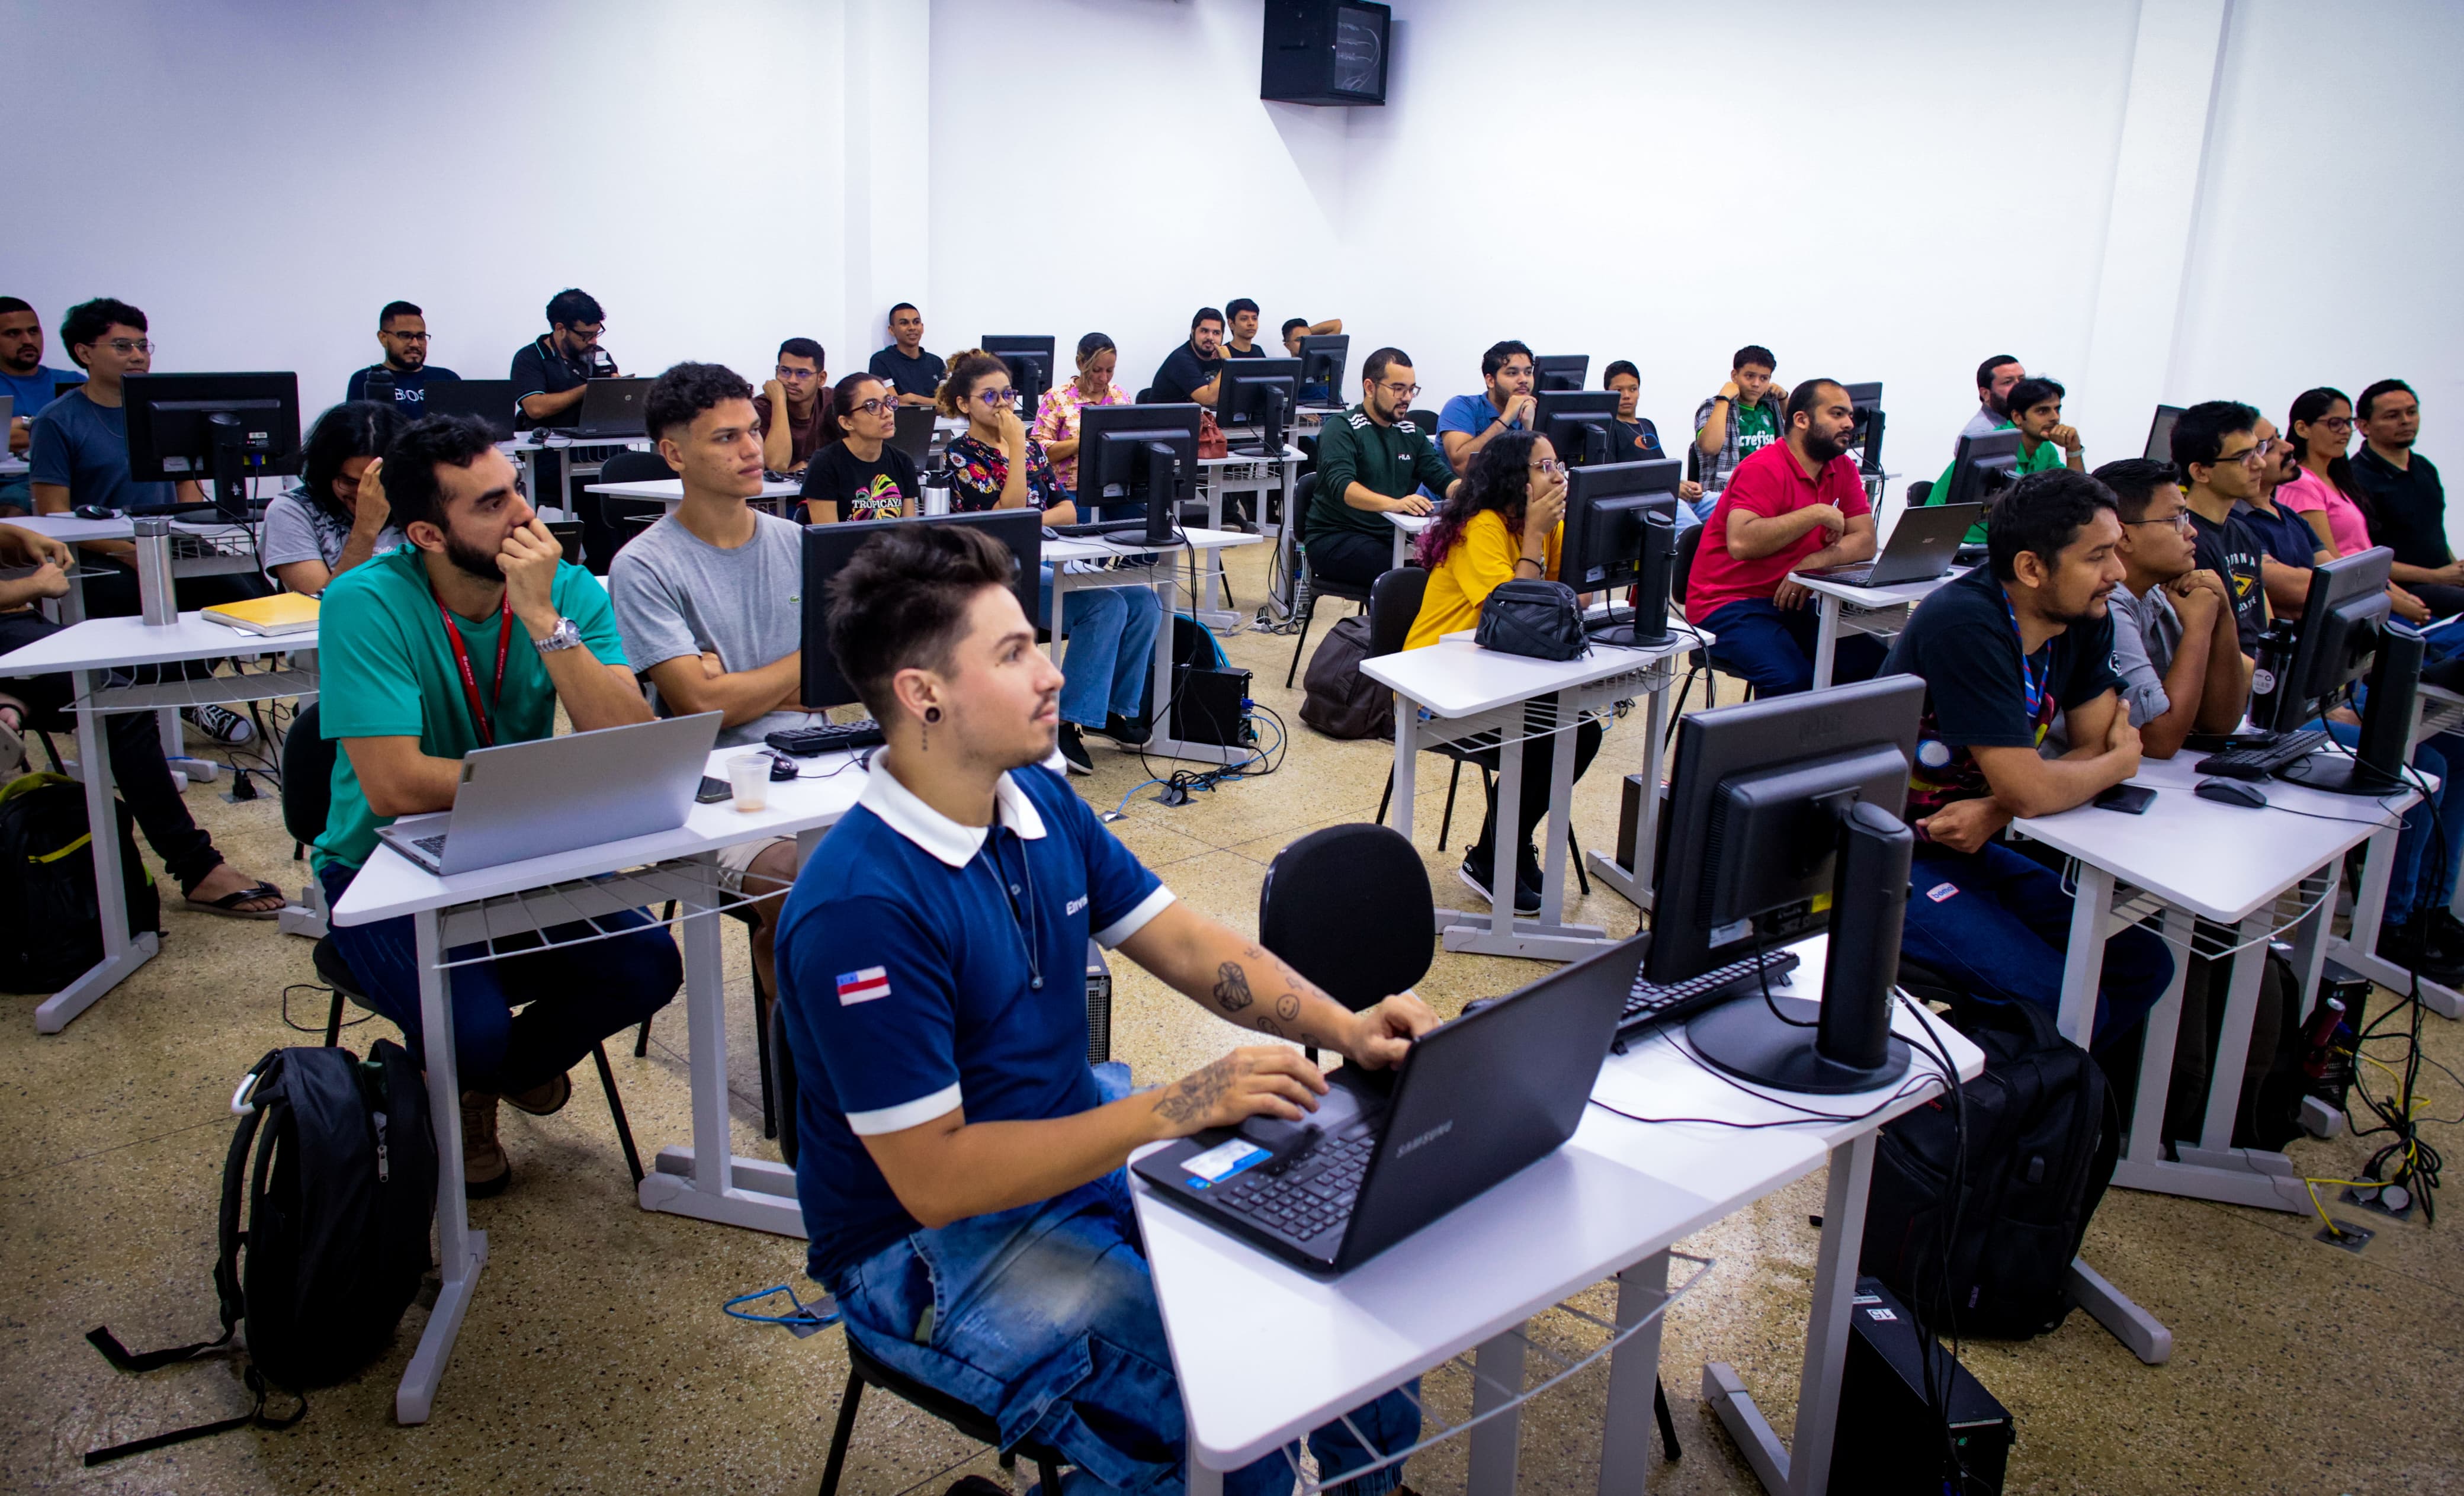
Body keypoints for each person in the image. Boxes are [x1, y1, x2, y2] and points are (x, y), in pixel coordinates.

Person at [774, 519, 1431, 1494]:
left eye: (1037, 640)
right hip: (920, 1249)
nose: (1051, 671)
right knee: (1224, 1416)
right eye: (1013, 653)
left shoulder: (1035, 795)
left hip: (1076, 1146)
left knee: (1349, 1308)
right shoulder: (860, 908)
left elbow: (1188, 943)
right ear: (924, 696)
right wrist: (1183, 1103)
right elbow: (937, 1181)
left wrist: (1347, 1027)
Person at [314, 413, 678, 1196]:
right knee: (470, 1025)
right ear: (428, 533)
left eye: (516, 489)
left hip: (518, 849)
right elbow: (397, 786)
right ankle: (473, 1070)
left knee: (650, 964)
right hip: (383, 867)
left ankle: (497, 1072)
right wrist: (556, 774)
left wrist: (544, 620)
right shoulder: (363, 602)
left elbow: (625, 738)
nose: (523, 514)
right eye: (490, 504)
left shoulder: (565, 588)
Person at [1882, 467, 2171, 1052]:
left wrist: (1996, 806)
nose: (2115, 575)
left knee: (2142, 963)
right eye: (2097, 558)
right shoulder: (1965, 624)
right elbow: (2081, 767)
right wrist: (2115, 766)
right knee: (2058, 999)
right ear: (2031, 568)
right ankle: (1977, 1115)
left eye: (2115, 553)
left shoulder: (2082, 618)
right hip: (1889, 857)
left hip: (1969, 842)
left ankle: (2043, 1102)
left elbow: (2080, 751)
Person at [612, 362, 818, 1004]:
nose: (752, 449)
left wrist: (740, 686)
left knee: (954, 858)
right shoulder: (644, 566)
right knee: (809, 890)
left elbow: (848, 678)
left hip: (823, 761)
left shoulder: (798, 542)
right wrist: (805, 661)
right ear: (674, 453)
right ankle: (812, 1084)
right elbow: (701, 707)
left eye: (752, 430)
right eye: (725, 438)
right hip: (716, 792)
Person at [0, 522, 285, 914]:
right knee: (120, 702)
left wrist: (19, 538)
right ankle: (197, 868)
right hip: (10, 625)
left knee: (224, 596)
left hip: (18, 620)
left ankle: (15, 700)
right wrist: (36, 586)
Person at [27, 297, 264, 743]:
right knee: (130, 601)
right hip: (100, 555)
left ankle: (179, 691)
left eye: (143, 346)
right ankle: (158, 703)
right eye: (122, 346)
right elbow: (51, 515)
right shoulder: (56, 422)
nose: (138, 356)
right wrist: (127, 551)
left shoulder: (165, 412)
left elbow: (186, 493)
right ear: (84, 353)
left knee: (245, 594)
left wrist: (203, 536)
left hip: (166, 542)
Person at [1406, 432, 1605, 913]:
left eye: (1558, 464)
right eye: (1543, 467)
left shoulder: (1544, 524)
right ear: (1515, 478)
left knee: (1581, 731)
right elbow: (1521, 617)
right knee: (1544, 738)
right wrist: (1535, 538)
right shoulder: (1484, 526)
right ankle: (1499, 855)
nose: (1556, 476)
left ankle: (1498, 852)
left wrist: (1551, 537)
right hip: (1436, 687)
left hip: (1502, 676)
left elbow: (1576, 599)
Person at [941, 351, 1163, 773]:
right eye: (990, 396)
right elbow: (1006, 521)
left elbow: (1068, 510)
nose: (1003, 404)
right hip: (997, 579)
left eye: (1007, 394)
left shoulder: (1030, 452)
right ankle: (1062, 723)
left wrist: (1029, 512)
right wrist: (1018, 452)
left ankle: (1111, 710)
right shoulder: (961, 456)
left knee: (1142, 600)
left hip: (1044, 559)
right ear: (965, 404)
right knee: (1105, 606)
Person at [1683, 380, 1885, 695]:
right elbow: (1741, 543)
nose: (1849, 423)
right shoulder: (1763, 467)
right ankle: (1771, 745)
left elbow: (1865, 541)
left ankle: (1841, 744)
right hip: (1729, 604)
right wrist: (1817, 513)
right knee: (1791, 679)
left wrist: (1812, 563)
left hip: (1794, 599)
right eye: (1836, 414)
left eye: (1849, 415)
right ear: (1802, 420)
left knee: (1873, 665)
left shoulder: (1841, 467)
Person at [2093, 458, 2247, 759]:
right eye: (2176, 520)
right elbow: (2159, 740)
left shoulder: (2155, 592)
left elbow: (2219, 724)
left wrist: (2223, 615)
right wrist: (2199, 628)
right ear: (2124, 536)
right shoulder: (2106, 605)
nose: (2191, 532)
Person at [1305, 346, 1461, 588]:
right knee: (1408, 578)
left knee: (1451, 564)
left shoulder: (1412, 433)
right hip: (1336, 538)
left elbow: (1441, 477)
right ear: (1370, 387)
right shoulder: (1342, 428)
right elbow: (1343, 487)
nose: (1407, 398)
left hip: (1391, 537)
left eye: (1411, 390)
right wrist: (1395, 504)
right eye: (1398, 389)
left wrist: (1468, 492)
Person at [262, 400, 408, 595]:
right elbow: (321, 606)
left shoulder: (422, 503)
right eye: (350, 482)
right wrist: (366, 528)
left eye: (377, 483)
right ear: (326, 472)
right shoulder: (291, 511)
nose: (365, 494)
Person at [2348, 380, 2464, 618]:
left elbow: (2434, 533)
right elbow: (2362, 558)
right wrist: (2438, 576)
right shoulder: (2355, 479)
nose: (2405, 421)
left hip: (2443, 580)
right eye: (2392, 415)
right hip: (2402, 590)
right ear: (2364, 426)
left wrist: (2456, 570)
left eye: (2411, 412)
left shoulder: (2424, 467)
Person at [1926, 375, 2086, 542]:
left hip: (1996, 543)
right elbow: (2027, 510)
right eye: (2043, 411)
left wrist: (2073, 450)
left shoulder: (2045, 447)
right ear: (2017, 418)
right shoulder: (1994, 447)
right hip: (1952, 544)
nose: (2055, 418)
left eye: (2057, 409)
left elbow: (2077, 495)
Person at [2170, 400, 2270, 656]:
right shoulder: (2188, 544)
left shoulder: (2242, 531)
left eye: (2258, 450)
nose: (2260, 464)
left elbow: (2264, 623)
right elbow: (2215, 655)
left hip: (2259, 672)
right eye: (2243, 458)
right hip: (2238, 680)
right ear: (2201, 472)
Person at [2232, 416, 2335, 617]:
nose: (2289, 446)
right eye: (2270, 446)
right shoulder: (2236, 522)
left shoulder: (2286, 514)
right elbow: (2298, 590)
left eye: (2279, 437)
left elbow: (2339, 576)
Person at [0, 297, 85, 511]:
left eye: (34, 331)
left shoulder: (72, 382)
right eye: (13, 333)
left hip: (75, 478)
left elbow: (91, 436)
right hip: (14, 484)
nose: (27, 340)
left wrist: (24, 423)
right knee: (16, 509)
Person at [801, 373, 920, 524]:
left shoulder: (903, 462)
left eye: (888, 402)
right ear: (847, 423)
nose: (888, 413)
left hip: (893, 547)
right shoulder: (825, 464)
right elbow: (828, 540)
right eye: (872, 406)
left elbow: (909, 532)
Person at [2280, 387, 2379, 559]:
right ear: (2303, 428)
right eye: (2335, 423)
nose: (2346, 431)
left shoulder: (2337, 479)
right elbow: (2329, 563)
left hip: (2371, 581)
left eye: (2348, 423)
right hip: (2349, 583)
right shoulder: (2300, 482)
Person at [1603, 358, 1706, 516]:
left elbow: (1662, 471)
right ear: (1607, 393)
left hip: (1670, 493)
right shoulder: (1609, 429)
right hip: (1649, 501)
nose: (1626, 396)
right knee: (1691, 526)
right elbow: (1620, 481)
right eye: (1618, 391)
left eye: (1633, 389)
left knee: (1722, 503)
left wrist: (1683, 485)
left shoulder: (1647, 425)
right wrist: (1671, 487)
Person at [1029, 332, 1131, 493]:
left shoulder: (1120, 395)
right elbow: (1039, 452)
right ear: (1080, 363)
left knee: (1143, 518)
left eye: (1110, 371)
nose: (1104, 378)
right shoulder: (1057, 398)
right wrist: (1083, 443)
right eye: (1097, 370)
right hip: (1071, 489)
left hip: (1115, 487)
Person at [511, 288, 615, 430]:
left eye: (597, 334)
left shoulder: (598, 354)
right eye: (586, 335)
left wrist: (621, 390)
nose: (594, 342)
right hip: (553, 447)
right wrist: (590, 389)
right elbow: (535, 408)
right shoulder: (530, 358)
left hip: (604, 444)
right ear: (561, 329)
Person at [1692, 344, 1786, 493]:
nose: (1756, 384)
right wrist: (1723, 399)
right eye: (1750, 376)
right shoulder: (1714, 406)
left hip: (1770, 489)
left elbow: (1797, 435)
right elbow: (1710, 447)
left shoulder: (1770, 406)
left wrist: (1784, 399)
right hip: (1728, 493)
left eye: (1764, 378)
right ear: (1734, 376)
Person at [345, 301, 460, 416]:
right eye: (405, 336)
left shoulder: (447, 378)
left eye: (420, 337)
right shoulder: (365, 380)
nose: (415, 344)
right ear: (383, 338)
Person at [1438, 340, 1535, 474]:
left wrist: (1530, 429)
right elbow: (1462, 466)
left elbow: (1549, 473)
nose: (1524, 380)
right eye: (1512, 373)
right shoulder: (1461, 407)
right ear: (1490, 381)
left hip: (1504, 494)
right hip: (1448, 494)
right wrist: (1506, 418)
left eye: (1528, 372)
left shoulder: (1531, 412)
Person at [753, 337, 832, 474]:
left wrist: (812, 463)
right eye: (785, 371)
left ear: (821, 379)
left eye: (802, 373)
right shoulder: (759, 409)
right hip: (773, 496)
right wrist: (779, 401)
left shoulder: (831, 402)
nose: (792, 381)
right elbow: (777, 465)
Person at [868, 303, 945, 409]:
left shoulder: (936, 362)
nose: (912, 327)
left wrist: (913, 399)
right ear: (892, 330)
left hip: (940, 425)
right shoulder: (881, 361)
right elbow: (894, 405)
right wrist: (932, 403)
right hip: (900, 424)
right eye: (904, 323)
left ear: (922, 328)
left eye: (916, 322)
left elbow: (946, 405)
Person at [1150, 307, 1227, 406]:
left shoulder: (1219, 357)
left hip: (1197, 419)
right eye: (1204, 331)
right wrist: (1227, 364)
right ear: (1193, 331)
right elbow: (1208, 399)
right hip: (1167, 420)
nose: (1210, 338)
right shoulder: (1181, 359)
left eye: (1216, 333)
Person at [1959, 354, 2026, 451]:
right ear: (1986, 394)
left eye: (2022, 379)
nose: (2020, 387)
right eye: (2008, 382)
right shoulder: (1979, 434)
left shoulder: (2028, 422)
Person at [1283, 314, 1345, 403]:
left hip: (1332, 408)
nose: (1305, 343)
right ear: (1288, 346)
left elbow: (1337, 325)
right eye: (1300, 340)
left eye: (1308, 338)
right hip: (1307, 411)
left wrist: (1306, 333)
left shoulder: (1320, 353)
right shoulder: (1287, 370)